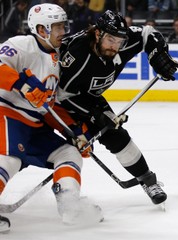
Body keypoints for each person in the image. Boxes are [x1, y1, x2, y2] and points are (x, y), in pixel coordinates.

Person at [57, 10, 178, 205]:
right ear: (98, 34)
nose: (115, 47)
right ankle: (66, 194)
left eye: (119, 42)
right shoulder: (78, 54)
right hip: (63, 103)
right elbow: (60, 95)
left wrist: (158, 55)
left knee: (116, 135)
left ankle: (148, 181)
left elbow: (148, 33)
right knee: (64, 149)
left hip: (91, 97)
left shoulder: (123, 40)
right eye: (111, 40)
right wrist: (94, 115)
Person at [0, 3, 102, 233]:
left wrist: (75, 131)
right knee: (11, 159)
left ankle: (69, 203)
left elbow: (50, 107)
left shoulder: (56, 59)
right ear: (41, 29)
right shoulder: (22, 45)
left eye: (63, 25)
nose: (62, 31)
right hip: (7, 115)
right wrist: (22, 84)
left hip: (35, 125)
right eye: (57, 27)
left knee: (69, 152)